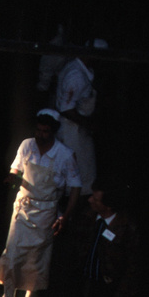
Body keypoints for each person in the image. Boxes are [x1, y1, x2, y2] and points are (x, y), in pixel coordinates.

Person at [0, 109, 82, 297]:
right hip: (22, 207)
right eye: (38, 130)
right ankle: (7, 296)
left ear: (53, 132)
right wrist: (12, 179)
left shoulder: (65, 155)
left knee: (36, 258)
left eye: (45, 131)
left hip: (46, 211)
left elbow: (75, 186)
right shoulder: (26, 145)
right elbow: (16, 170)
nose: (40, 134)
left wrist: (65, 215)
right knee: (12, 253)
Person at [54, 42, 102, 197]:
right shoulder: (76, 75)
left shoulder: (82, 70)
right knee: (78, 171)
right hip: (72, 131)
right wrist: (88, 124)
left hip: (79, 130)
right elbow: (66, 108)